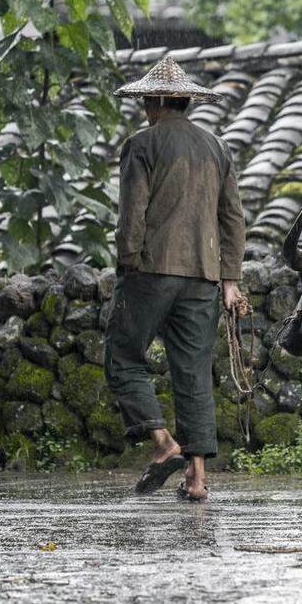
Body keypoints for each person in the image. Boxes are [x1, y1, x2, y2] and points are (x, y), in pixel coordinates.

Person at [104, 56, 245, 502]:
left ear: (156, 100)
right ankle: (197, 478)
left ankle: (165, 444)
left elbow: (133, 216)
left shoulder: (141, 145)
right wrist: (231, 277)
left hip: (151, 270)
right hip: (203, 275)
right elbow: (233, 218)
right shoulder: (216, 147)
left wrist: (126, 264)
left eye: (148, 100)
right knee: (194, 371)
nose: (145, 107)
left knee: (123, 356)